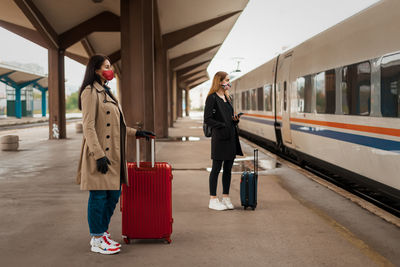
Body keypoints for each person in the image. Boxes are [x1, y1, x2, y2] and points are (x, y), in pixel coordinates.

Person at [76, 55, 155, 254]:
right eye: (107, 66)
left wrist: (136, 132)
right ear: (96, 69)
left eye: (110, 66)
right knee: (99, 195)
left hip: (114, 155)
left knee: (114, 194)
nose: (110, 70)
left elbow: (117, 126)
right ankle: (96, 238)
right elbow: (89, 127)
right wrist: (98, 154)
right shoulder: (90, 91)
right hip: (100, 153)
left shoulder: (108, 92)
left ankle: (102, 233)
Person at [203, 71, 243, 211]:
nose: (229, 82)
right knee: (216, 169)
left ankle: (226, 197)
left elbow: (228, 116)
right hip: (219, 138)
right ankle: (213, 199)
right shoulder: (212, 98)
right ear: (219, 81)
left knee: (228, 169)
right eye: (227, 80)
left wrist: (234, 120)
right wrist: (222, 125)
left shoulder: (227, 97)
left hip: (231, 137)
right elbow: (207, 119)